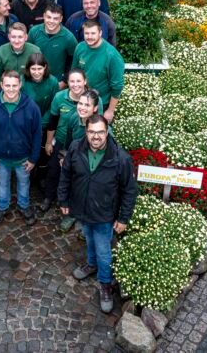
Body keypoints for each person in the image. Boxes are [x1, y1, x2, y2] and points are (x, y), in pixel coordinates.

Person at [58, 113, 138, 313]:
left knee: (104, 251)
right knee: (89, 238)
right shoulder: (76, 148)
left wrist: (123, 218)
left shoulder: (121, 158)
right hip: (82, 209)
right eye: (92, 132)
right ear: (86, 132)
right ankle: (91, 264)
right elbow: (66, 175)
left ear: (107, 131)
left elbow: (129, 190)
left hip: (104, 214)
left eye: (100, 132)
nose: (96, 136)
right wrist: (64, 200)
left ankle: (105, 283)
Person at [0, 71, 43, 227]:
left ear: (20, 85)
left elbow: (37, 134)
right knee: (2, 183)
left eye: (14, 85)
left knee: (24, 183)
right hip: (0, 158)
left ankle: (24, 205)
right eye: (7, 85)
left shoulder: (31, 107)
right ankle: (2, 206)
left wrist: (33, 158)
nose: (10, 89)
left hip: (23, 158)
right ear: (1, 85)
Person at [41, 72, 99, 223]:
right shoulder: (61, 99)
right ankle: (49, 197)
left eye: (78, 81)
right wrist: (54, 146)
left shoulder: (93, 99)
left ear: (85, 81)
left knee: (79, 178)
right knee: (54, 169)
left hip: (89, 149)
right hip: (65, 143)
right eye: (71, 81)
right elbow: (55, 123)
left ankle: (75, 210)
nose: (75, 84)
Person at [72, 20, 124, 123]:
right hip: (81, 100)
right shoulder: (80, 47)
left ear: (100, 33)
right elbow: (74, 72)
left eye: (93, 33)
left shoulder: (112, 55)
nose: (89, 36)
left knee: (97, 135)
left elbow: (117, 86)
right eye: (87, 33)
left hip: (101, 103)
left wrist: (110, 111)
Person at [28, 3, 77, 81]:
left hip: (57, 81)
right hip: (35, 79)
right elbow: (27, 54)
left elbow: (73, 60)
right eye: (49, 17)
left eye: (55, 18)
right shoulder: (34, 32)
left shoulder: (68, 37)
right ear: (44, 16)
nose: (51, 21)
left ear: (61, 19)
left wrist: (64, 80)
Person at [21, 53, 57, 119]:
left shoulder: (53, 82)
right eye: (33, 69)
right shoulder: (22, 81)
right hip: (25, 120)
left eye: (39, 68)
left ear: (45, 67)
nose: (36, 73)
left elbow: (53, 106)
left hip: (45, 122)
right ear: (28, 68)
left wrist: (42, 123)